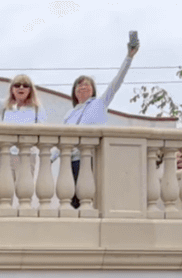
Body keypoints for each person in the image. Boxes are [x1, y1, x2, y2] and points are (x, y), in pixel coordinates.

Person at [62, 35, 140, 206]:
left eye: (87, 85)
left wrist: (129, 57)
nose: (83, 87)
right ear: (74, 92)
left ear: (93, 90)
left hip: (91, 157)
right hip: (72, 160)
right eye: (79, 85)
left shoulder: (99, 103)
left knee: (91, 198)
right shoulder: (69, 114)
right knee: (73, 199)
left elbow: (116, 83)